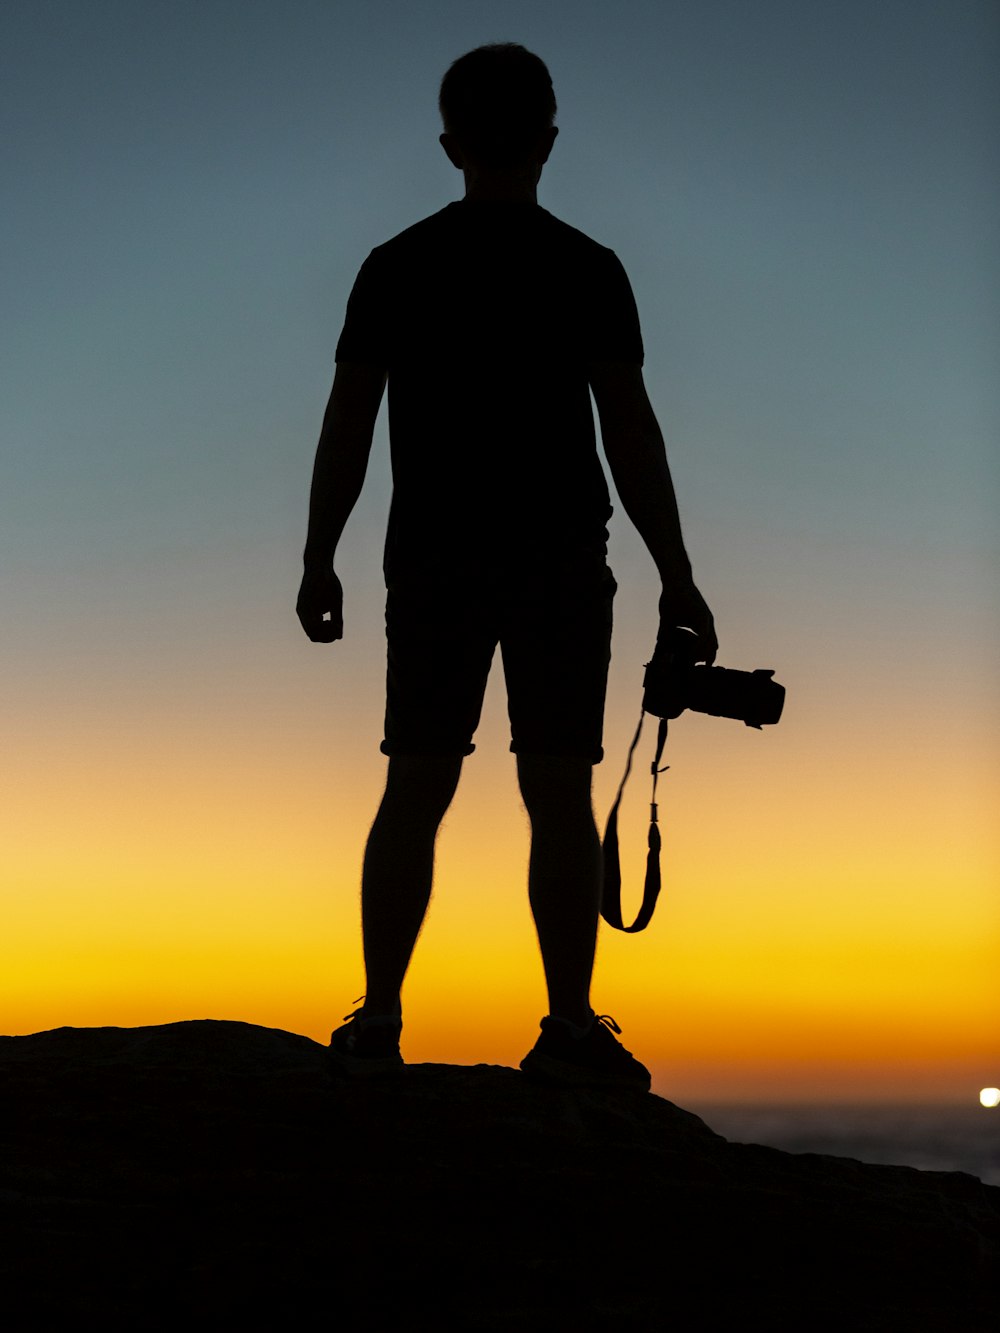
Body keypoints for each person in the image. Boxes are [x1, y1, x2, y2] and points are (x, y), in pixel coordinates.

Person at [296, 44, 716, 1091]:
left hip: (433, 562)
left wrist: (319, 554)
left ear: (450, 145)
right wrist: (678, 570)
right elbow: (631, 434)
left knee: (416, 786)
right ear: (548, 142)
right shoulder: (585, 267)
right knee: (557, 791)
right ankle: (568, 1025)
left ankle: (380, 1019)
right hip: (561, 560)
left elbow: (347, 426)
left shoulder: (396, 265)